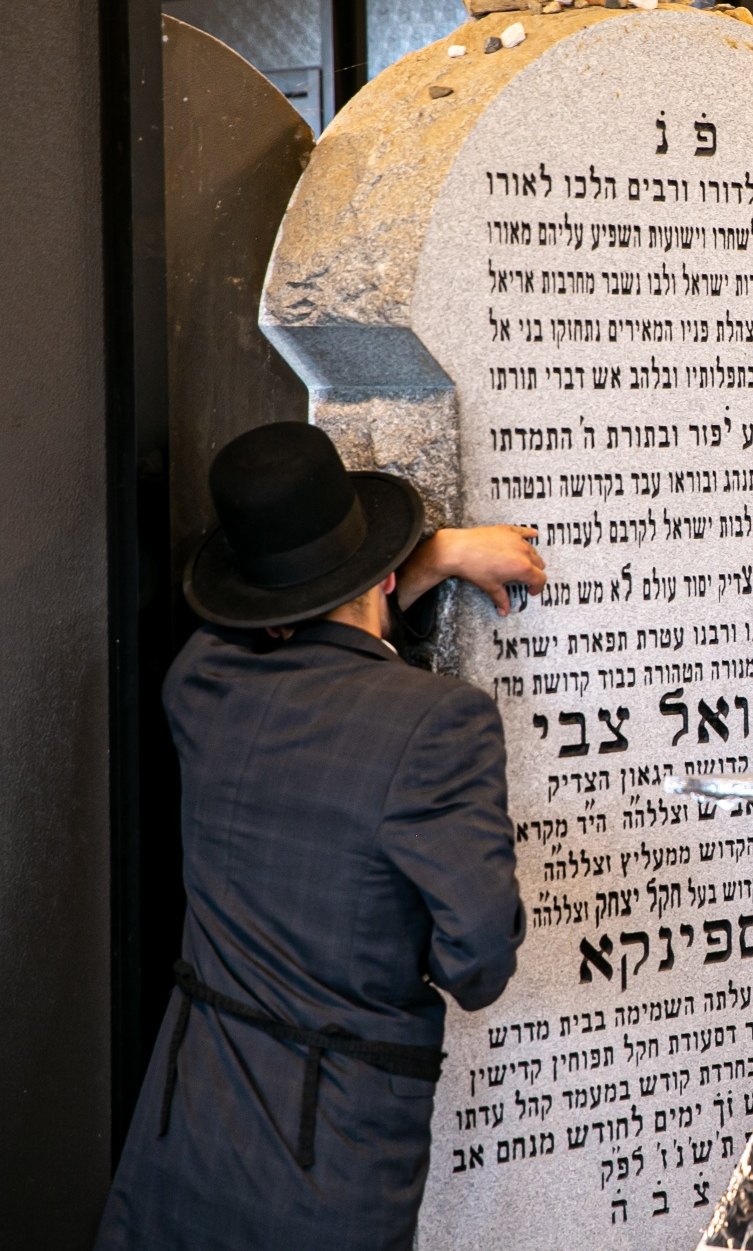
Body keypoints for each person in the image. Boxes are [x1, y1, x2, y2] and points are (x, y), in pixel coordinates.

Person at [97, 422, 545, 1251]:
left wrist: (423, 560)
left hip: (184, 1124)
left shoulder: (201, 681)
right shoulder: (439, 723)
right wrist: (434, 555)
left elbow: (266, 630)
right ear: (384, 573)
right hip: (328, 1158)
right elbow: (479, 963)